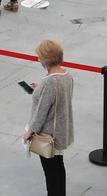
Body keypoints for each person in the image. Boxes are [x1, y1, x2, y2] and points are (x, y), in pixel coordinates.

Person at [24, 39, 73, 196]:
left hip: (48, 135)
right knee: (58, 167)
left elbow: (41, 112)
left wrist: (30, 131)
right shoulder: (66, 75)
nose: (38, 60)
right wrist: (39, 91)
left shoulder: (50, 82)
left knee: (51, 174)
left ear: (46, 59)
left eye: (39, 57)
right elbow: (56, 98)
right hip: (61, 130)